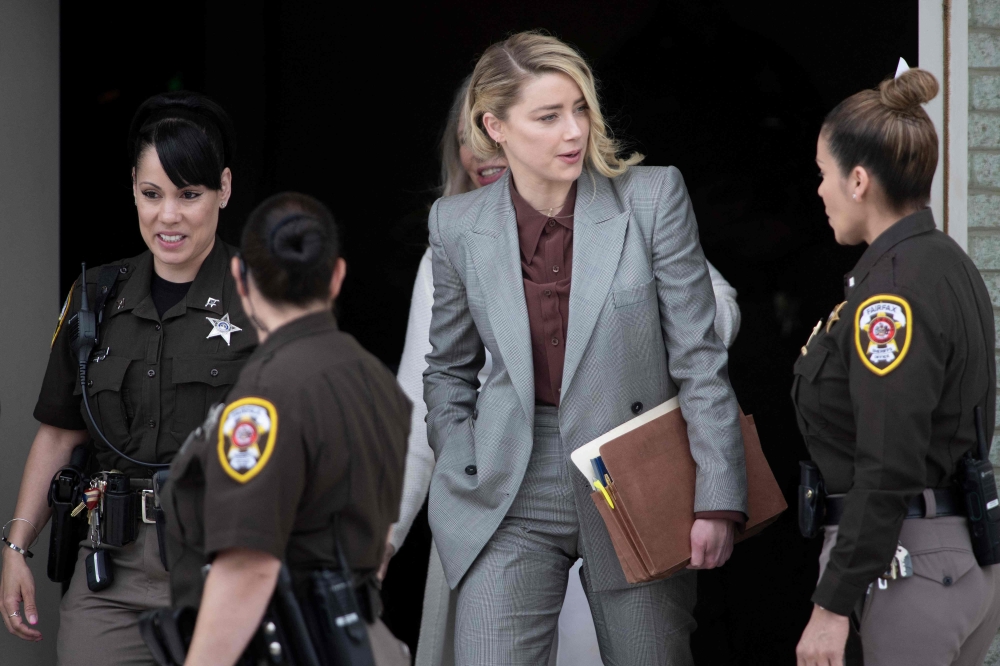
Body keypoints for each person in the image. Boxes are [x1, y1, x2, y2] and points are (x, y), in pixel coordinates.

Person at [386, 75, 743, 666]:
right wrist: (464, 467)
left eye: (580, 110)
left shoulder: (650, 197)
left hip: (634, 457)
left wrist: (716, 495)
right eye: (548, 116)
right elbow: (442, 374)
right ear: (495, 128)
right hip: (510, 471)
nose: (574, 130)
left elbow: (702, 354)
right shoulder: (456, 225)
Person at [0, 91, 254, 665]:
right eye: (152, 193)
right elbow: (59, 433)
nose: (169, 216)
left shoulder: (265, 295)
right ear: (134, 190)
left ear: (224, 188)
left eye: (190, 194)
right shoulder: (95, 295)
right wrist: (16, 546)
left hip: (226, 565)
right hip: (111, 569)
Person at [794, 65, 1000, 666]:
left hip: (909, 568)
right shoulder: (945, 261)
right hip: (950, 560)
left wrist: (831, 606)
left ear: (858, 181)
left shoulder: (891, 295)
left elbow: (887, 465)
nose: (819, 191)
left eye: (823, 174)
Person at [161, 191, 412, 665]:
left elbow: (248, 567)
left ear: (240, 277)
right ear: (336, 275)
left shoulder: (265, 395)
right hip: (360, 641)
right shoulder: (379, 380)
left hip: (289, 646)